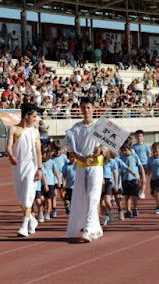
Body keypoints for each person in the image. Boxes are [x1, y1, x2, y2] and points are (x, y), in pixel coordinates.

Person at [62, 96, 104, 242]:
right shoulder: (75, 128)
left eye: (88, 107)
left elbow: (111, 150)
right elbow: (70, 150)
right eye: (83, 108)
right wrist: (81, 159)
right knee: (82, 198)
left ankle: (87, 228)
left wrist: (101, 152)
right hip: (81, 167)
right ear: (80, 109)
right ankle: (96, 228)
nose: (86, 110)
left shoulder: (101, 126)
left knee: (93, 196)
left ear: (93, 109)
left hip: (96, 166)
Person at [6, 102, 43, 237]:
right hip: (17, 168)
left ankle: (23, 227)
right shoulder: (13, 129)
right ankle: (31, 220)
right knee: (21, 196)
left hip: (31, 168)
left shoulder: (35, 132)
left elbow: (38, 152)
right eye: (34, 116)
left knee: (28, 195)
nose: (35, 119)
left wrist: (39, 168)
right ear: (26, 116)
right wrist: (11, 156)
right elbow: (9, 146)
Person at [120, 140, 146, 218]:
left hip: (134, 179)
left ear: (130, 149)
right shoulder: (122, 158)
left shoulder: (134, 156)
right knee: (127, 196)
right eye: (122, 151)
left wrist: (143, 176)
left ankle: (135, 208)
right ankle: (128, 210)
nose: (124, 152)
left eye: (125, 150)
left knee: (134, 196)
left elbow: (140, 166)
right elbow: (121, 169)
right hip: (126, 179)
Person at [132, 129, 151, 199]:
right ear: (135, 137)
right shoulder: (133, 146)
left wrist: (150, 165)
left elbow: (149, 155)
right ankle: (139, 190)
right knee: (137, 179)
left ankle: (142, 192)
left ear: (143, 137)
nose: (139, 138)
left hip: (144, 164)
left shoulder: (146, 146)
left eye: (140, 136)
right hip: (136, 165)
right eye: (137, 136)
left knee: (143, 179)